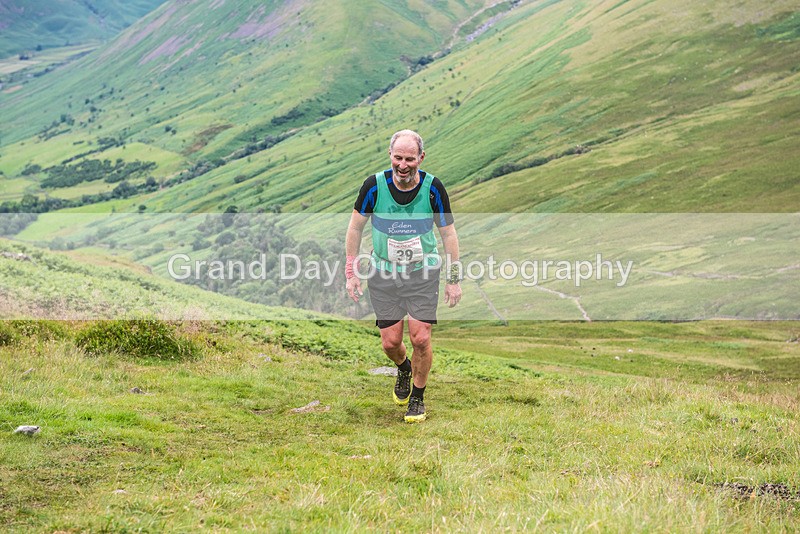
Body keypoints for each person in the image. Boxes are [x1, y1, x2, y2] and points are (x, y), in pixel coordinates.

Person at [345, 129, 462, 423]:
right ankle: (404, 367)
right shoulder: (373, 186)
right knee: (390, 343)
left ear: (421, 158)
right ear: (390, 156)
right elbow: (355, 228)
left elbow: (448, 234)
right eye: (398, 157)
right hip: (383, 273)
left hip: (423, 273)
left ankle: (418, 398)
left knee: (420, 337)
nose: (403, 165)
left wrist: (454, 278)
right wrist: (352, 271)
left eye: (410, 159)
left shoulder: (434, 189)